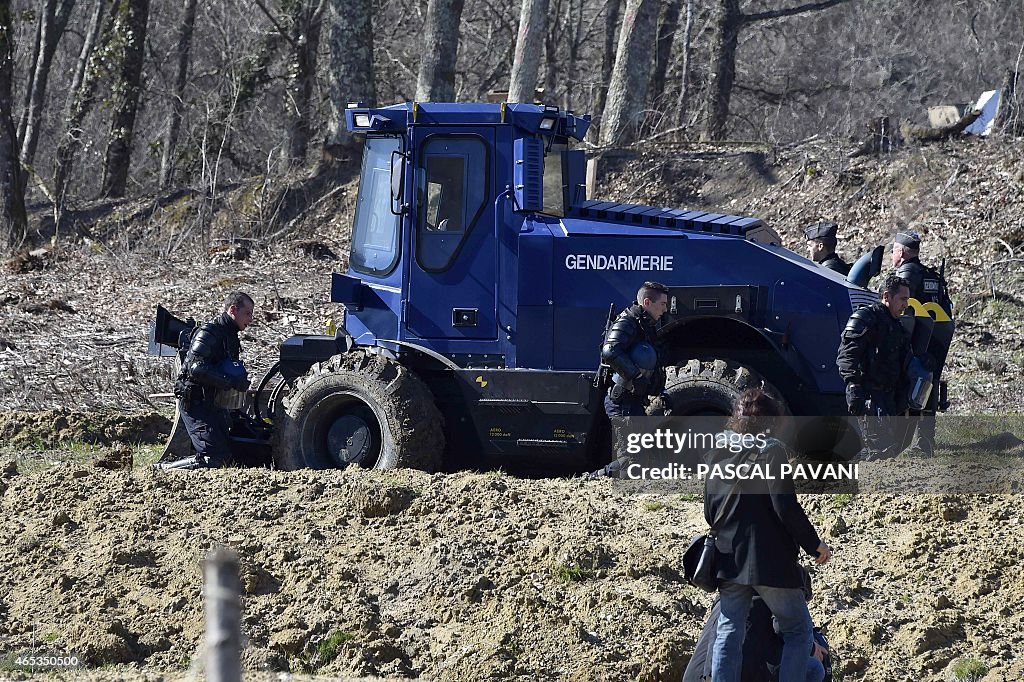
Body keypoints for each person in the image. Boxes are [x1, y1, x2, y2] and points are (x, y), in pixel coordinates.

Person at [704, 389, 832, 682]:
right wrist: (815, 545)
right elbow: (785, 507)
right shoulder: (772, 451)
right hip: (770, 563)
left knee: (728, 629)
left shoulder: (717, 449)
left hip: (728, 558)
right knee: (798, 631)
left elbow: (709, 512)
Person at [161, 291, 254, 470]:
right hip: (194, 403)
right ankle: (164, 470)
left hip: (212, 404)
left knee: (231, 453)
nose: (250, 319)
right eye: (247, 313)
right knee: (213, 458)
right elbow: (195, 369)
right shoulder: (210, 332)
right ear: (233, 310)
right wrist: (229, 381)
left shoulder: (231, 336)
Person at [683, 570, 831, 682]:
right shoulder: (779, 590)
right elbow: (783, 628)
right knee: (814, 667)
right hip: (739, 672)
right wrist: (811, 647)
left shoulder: (727, 595)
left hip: (695, 675)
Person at [586, 281, 670, 478]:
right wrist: (636, 376)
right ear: (647, 302)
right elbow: (610, 350)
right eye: (662, 304)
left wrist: (661, 391)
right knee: (633, 459)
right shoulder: (629, 321)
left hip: (632, 402)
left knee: (642, 455)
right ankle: (594, 479)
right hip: (621, 402)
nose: (665, 310)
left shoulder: (645, 324)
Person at [836, 274, 912, 459]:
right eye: (902, 299)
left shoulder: (896, 326)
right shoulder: (865, 319)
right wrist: (854, 386)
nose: (906, 305)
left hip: (888, 399)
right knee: (877, 452)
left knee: (888, 451)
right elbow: (847, 357)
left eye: (907, 300)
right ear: (887, 297)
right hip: (868, 397)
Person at [892, 230, 954, 456]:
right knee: (930, 383)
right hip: (938, 337)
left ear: (901, 252)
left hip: (914, 339)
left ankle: (906, 443)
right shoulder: (931, 275)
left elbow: (897, 309)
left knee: (911, 389)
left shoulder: (905, 275)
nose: (892, 255)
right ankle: (926, 440)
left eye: (893, 250)